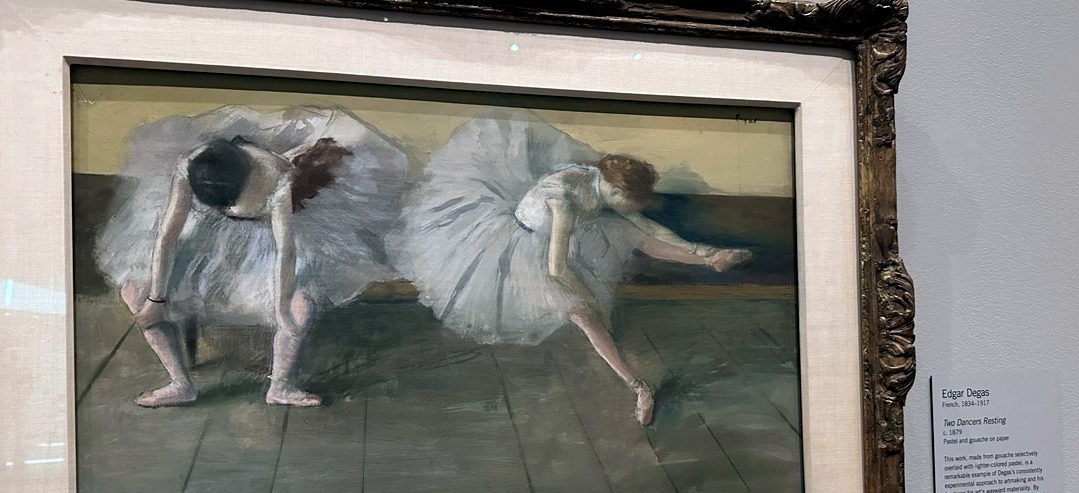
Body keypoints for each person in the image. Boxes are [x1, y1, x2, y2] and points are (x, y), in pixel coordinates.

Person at [389, 110, 752, 425]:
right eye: (631, 202)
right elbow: (556, 269)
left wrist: (700, 248)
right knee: (584, 316)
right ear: (616, 192)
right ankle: (638, 387)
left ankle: (711, 260)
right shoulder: (563, 199)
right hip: (527, 251)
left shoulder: (601, 182)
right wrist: (589, 299)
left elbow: (645, 225)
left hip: (569, 235)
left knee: (632, 233)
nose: (633, 207)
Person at [95, 106, 409, 407]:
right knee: (135, 291)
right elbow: (168, 236)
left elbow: (285, 249)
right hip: (208, 237)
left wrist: (280, 308)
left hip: (265, 243)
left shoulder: (275, 175)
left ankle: (280, 386)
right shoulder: (190, 165)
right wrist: (157, 299)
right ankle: (180, 383)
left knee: (299, 306)